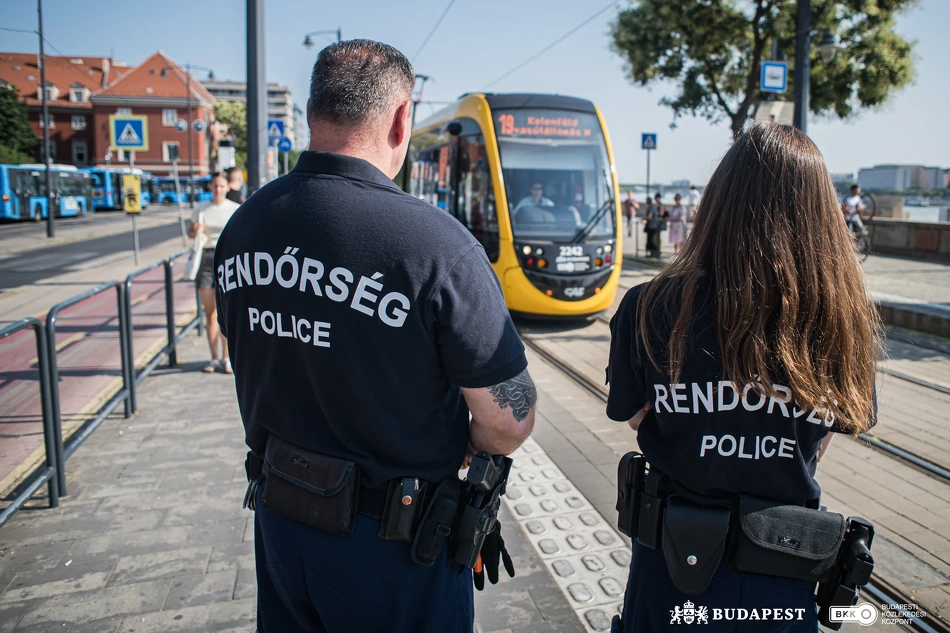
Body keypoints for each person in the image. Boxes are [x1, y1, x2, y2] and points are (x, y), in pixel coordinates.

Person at [214, 39, 536, 633]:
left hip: (281, 521)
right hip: (393, 552)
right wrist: (469, 445)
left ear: (312, 111)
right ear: (400, 118)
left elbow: (251, 347)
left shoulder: (244, 225)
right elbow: (508, 421)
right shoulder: (437, 246)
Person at [606, 123, 879, 632]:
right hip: (783, 574)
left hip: (673, 567)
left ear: (718, 203)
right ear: (822, 215)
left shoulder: (650, 306)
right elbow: (823, 437)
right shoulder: (844, 320)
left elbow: (637, 414)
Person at [187, 172, 240, 374]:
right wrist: (194, 230)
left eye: (221, 186)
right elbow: (190, 234)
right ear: (210, 187)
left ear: (227, 187)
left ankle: (227, 358)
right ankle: (214, 357)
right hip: (207, 259)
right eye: (215, 186)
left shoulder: (235, 209)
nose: (218, 190)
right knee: (210, 313)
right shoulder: (201, 208)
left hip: (226, 258)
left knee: (225, 313)